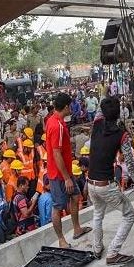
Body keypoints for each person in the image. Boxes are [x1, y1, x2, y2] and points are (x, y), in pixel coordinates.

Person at [87, 96, 134, 264]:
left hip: (91, 182)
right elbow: (131, 165)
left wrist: (106, 94)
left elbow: (100, 105)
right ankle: (113, 252)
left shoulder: (96, 124)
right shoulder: (122, 135)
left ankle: (97, 248)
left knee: (98, 214)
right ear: (119, 113)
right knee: (129, 215)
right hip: (106, 186)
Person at [45, 92, 89, 249]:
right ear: (65, 107)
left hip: (65, 172)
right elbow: (56, 153)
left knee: (75, 196)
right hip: (59, 175)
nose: (71, 108)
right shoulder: (56, 125)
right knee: (57, 207)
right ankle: (61, 239)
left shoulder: (54, 121)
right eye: (70, 106)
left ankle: (77, 229)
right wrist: (66, 178)